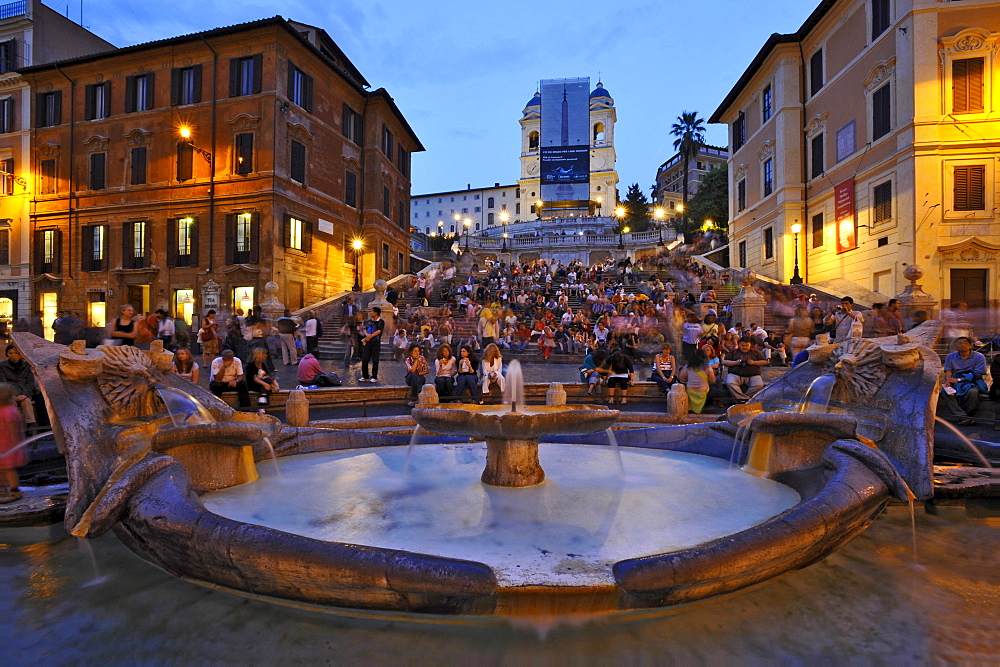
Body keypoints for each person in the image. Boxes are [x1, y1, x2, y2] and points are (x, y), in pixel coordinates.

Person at [938, 336, 987, 425]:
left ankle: (968, 415)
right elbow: (948, 371)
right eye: (958, 343)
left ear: (970, 346)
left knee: (973, 392)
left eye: (963, 343)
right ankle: (962, 416)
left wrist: (959, 380)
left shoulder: (979, 357)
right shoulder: (950, 357)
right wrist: (948, 381)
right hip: (955, 381)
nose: (960, 345)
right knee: (945, 392)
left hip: (972, 382)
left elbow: (979, 374)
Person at [0, 383, 26, 503]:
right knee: (3, 468)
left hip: (8, 445)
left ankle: (15, 491)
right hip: (3, 444)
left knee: (9, 469)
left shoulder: (9, 411)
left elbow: (12, 428)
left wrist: (13, 445)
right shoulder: (3, 409)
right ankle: (3, 488)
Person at [0, 345, 37, 429]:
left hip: (24, 394)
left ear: (20, 354)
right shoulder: (2, 366)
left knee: (27, 402)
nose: (13, 355)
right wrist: (11, 395)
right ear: (7, 354)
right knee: (10, 403)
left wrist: (24, 394)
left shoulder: (27, 366)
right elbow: (3, 382)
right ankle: (13, 425)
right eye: (10, 353)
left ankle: (30, 425)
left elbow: (30, 382)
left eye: (16, 353)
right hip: (10, 393)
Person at [723, 337, 767, 401]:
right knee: (730, 382)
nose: (745, 347)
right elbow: (725, 362)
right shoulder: (734, 352)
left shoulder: (755, 352)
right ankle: (746, 400)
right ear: (739, 345)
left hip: (753, 375)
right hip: (735, 374)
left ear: (750, 345)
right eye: (743, 345)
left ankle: (742, 399)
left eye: (747, 345)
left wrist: (753, 362)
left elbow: (765, 362)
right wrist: (736, 363)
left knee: (759, 384)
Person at [679, 348, 716, 414]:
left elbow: (681, 378)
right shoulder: (707, 367)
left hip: (690, 391)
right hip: (703, 391)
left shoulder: (687, 367)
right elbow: (712, 380)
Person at [359, 307, 384, 383]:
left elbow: (379, 331)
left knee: (375, 360)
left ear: (376, 313)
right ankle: (365, 376)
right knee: (364, 359)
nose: (370, 313)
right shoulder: (369, 321)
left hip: (375, 343)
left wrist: (371, 336)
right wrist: (367, 335)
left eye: (372, 312)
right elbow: (365, 329)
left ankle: (374, 376)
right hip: (368, 342)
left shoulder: (381, 322)